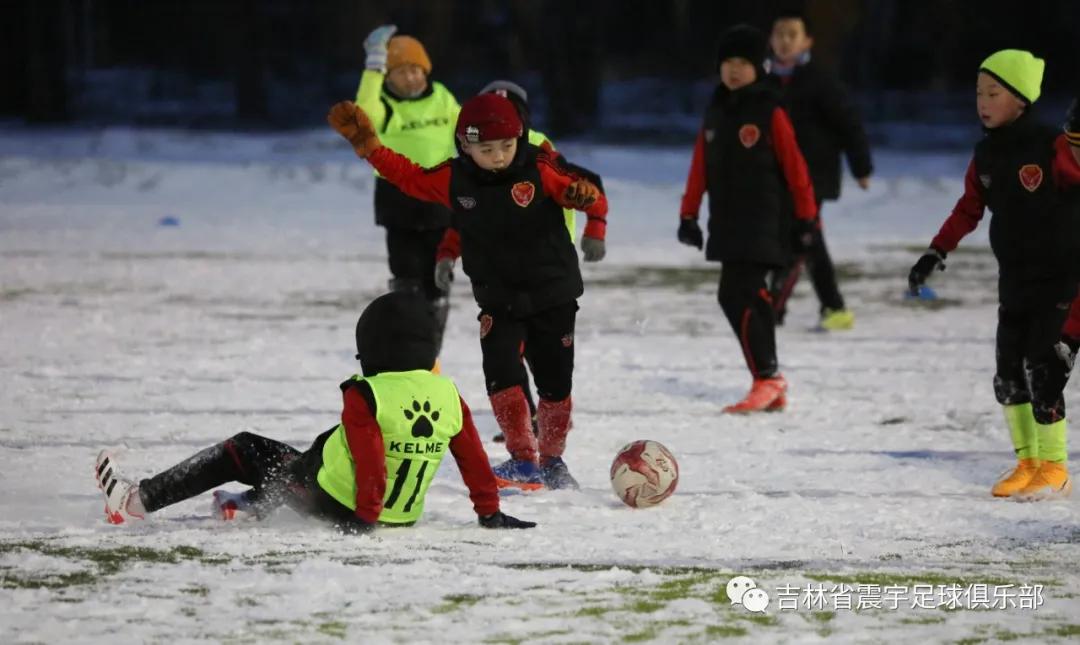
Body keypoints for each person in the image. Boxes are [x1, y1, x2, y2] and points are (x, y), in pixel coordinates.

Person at [327, 92, 608, 490]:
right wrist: (369, 148)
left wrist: (594, 218)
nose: (498, 156)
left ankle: (553, 460)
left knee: (554, 381)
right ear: (466, 146)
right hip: (498, 299)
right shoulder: (454, 179)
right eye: (486, 149)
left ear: (520, 139)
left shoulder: (540, 166)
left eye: (507, 147)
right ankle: (523, 459)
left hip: (553, 293)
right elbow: (407, 176)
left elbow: (588, 192)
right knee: (501, 375)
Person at [94, 291, 536, 531]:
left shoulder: (366, 392)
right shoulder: (448, 395)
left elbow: (368, 460)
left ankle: (137, 501)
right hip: (401, 514)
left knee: (247, 450)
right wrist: (489, 513)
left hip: (344, 505)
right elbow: (474, 461)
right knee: (324, 447)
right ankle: (249, 505)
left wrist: (364, 517)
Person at [908, 52, 1080, 500]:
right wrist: (935, 252)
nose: (982, 102)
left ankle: (1055, 466)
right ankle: (1027, 462)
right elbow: (968, 208)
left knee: (1045, 368)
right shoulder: (987, 153)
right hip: (1015, 281)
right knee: (1008, 374)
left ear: (1021, 99)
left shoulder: (1052, 146)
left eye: (994, 93)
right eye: (979, 93)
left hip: (1060, 279)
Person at [677, 24, 818, 413]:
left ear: (760, 67)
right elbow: (699, 167)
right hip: (726, 221)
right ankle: (769, 381)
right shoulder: (716, 112)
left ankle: (767, 377)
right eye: (728, 63)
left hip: (764, 221)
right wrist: (688, 214)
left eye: (743, 63)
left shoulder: (770, 111)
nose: (734, 70)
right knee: (738, 296)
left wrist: (807, 219)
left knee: (741, 293)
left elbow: (797, 169)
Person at [473, 79, 607, 443]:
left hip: (547, 266)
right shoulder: (479, 155)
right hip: (505, 271)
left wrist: (595, 226)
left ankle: (547, 414)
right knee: (509, 349)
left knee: (541, 352)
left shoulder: (539, 147)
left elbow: (590, 182)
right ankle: (530, 416)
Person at [355, 24, 461, 351]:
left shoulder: (442, 96)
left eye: (416, 70)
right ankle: (407, 342)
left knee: (437, 278)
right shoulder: (384, 105)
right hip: (398, 204)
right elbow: (364, 113)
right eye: (401, 72)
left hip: (440, 202)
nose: (411, 78)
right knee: (407, 277)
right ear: (388, 78)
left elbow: (466, 129)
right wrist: (373, 67)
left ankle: (431, 345)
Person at [766, 12, 873, 331]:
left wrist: (861, 166)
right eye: (779, 34)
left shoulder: (820, 80)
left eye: (792, 35)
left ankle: (775, 309)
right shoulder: (763, 80)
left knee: (802, 239)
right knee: (802, 240)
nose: (785, 42)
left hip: (814, 177)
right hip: (776, 178)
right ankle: (831, 307)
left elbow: (849, 124)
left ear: (807, 41)